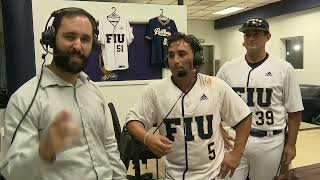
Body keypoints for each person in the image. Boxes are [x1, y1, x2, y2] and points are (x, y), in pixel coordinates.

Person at [0, 7, 127, 180]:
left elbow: (109, 146)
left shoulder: (94, 90)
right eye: (69, 37)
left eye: (85, 39)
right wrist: (44, 151)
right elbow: (12, 173)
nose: (77, 45)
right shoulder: (25, 99)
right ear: (51, 40)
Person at [125, 32, 252, 180]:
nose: (176, 60)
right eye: (171, 55)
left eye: (182, 54)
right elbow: (132, 120)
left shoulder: (215, 86)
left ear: (197, 57)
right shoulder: (155, 90)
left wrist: (236, 155)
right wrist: (148, 138)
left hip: (212, 174)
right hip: (172, 175)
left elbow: (244, 117)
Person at [216, 17, 304, 180]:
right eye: (247, 34)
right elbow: (212, 102)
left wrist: (291, 144)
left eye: (256, 34)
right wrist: (220, 129)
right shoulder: (228, 68)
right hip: (235, 138)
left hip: (270, 141)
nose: (250, 38)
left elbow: (294, 112)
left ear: (268, 37)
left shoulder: (284, 68)